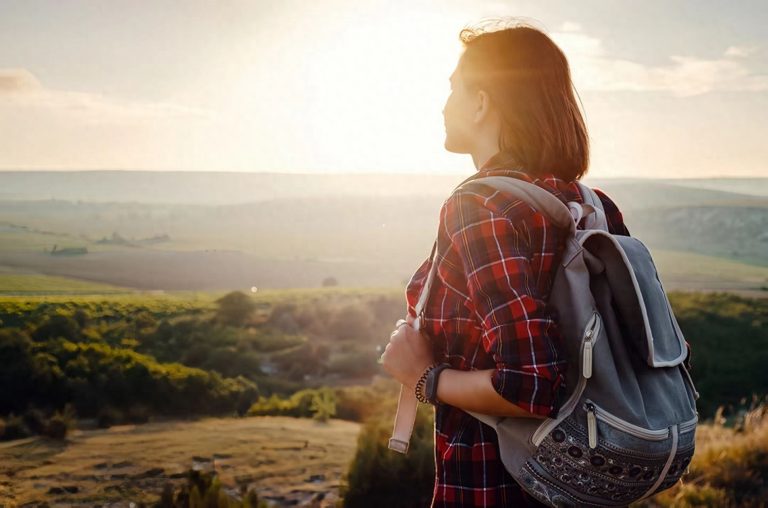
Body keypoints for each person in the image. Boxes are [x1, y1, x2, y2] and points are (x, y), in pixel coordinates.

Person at [380, 18, 631, 507]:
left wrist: (425, 378)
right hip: (586, 483)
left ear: (481, 102)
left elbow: (530, 386)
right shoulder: (592, 205)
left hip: (497, 487)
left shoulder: (480, 207)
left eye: (454, 89)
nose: (444, 104)